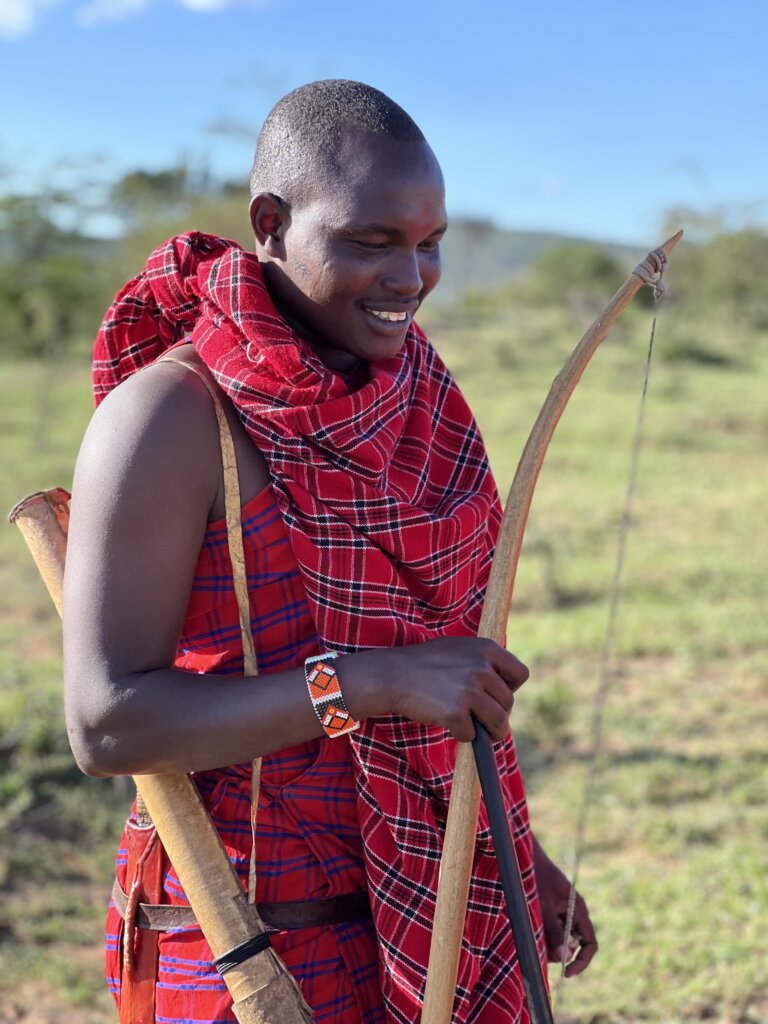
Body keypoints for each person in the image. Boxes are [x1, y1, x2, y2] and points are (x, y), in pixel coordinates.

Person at [62, 80, 596, 1024]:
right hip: (251, 943)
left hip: (443, 913)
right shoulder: (168, 421)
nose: (411, 278)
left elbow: (446, 680)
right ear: (270, 223)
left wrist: (519, 853)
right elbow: (108, 725)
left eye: (431, 243)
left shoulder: (414, 397)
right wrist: (370, 683)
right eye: (372, 242)